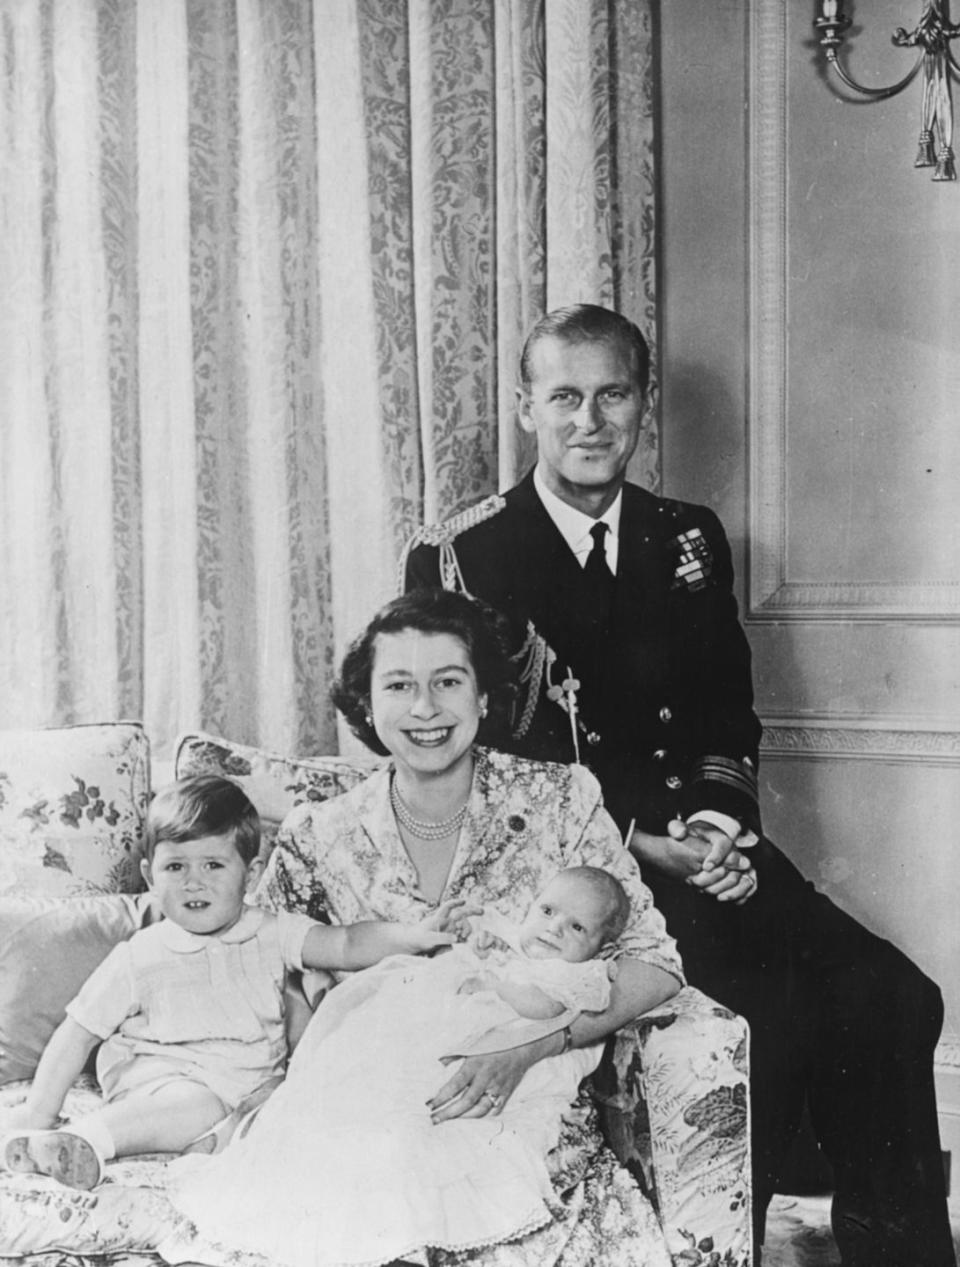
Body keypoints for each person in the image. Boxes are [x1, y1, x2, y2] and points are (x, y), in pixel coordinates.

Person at [403, 303, 955, 1266]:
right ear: (526, 406)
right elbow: (480, 766)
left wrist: (720, 827)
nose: (589, 419)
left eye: (612, 394)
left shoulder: (687, 536)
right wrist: (643, 843)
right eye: (564, 396)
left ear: (643, 405)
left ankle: (891, 1249)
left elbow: (723, 712)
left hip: (699, 848)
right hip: (577, 878)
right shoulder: (464, 556)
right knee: (766, 1024)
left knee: (894, 995)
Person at [152, 588, 684, 1267]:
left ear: (485, 697)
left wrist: (532, 1044)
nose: (425, 708)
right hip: (361, 1121)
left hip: (513, 1123)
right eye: (399, 685)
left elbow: (656, 962)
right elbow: (259, 959)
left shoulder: (561, 799)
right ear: (369, 706)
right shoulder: (324, 834)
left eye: (448, 682)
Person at [165, 865, 648, 1267]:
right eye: (547, 911)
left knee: (416, 1136)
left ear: (600, 949)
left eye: (576, 928)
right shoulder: (509, 943)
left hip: (488, 1056)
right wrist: (469, 951)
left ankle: (395, 1241)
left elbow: (541, 1008)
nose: (554, 929)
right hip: (430, 1036)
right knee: (355, 1088)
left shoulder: (575, 976)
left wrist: (496, 976)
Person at [0, 774, 456, 1191]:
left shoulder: (275, 932)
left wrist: (412, 936)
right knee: (197, 1105)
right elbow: (78, 1033)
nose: (194, 884)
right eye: (175, 867)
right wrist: (40, 1111)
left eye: (213, 866)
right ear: (149, 877)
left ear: (250, 874)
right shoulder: (140, 956)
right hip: (163, 1074)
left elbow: (346, 944)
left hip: (251, 1083)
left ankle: (212, 1145)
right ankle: (83, 1140)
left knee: (310, 1109)